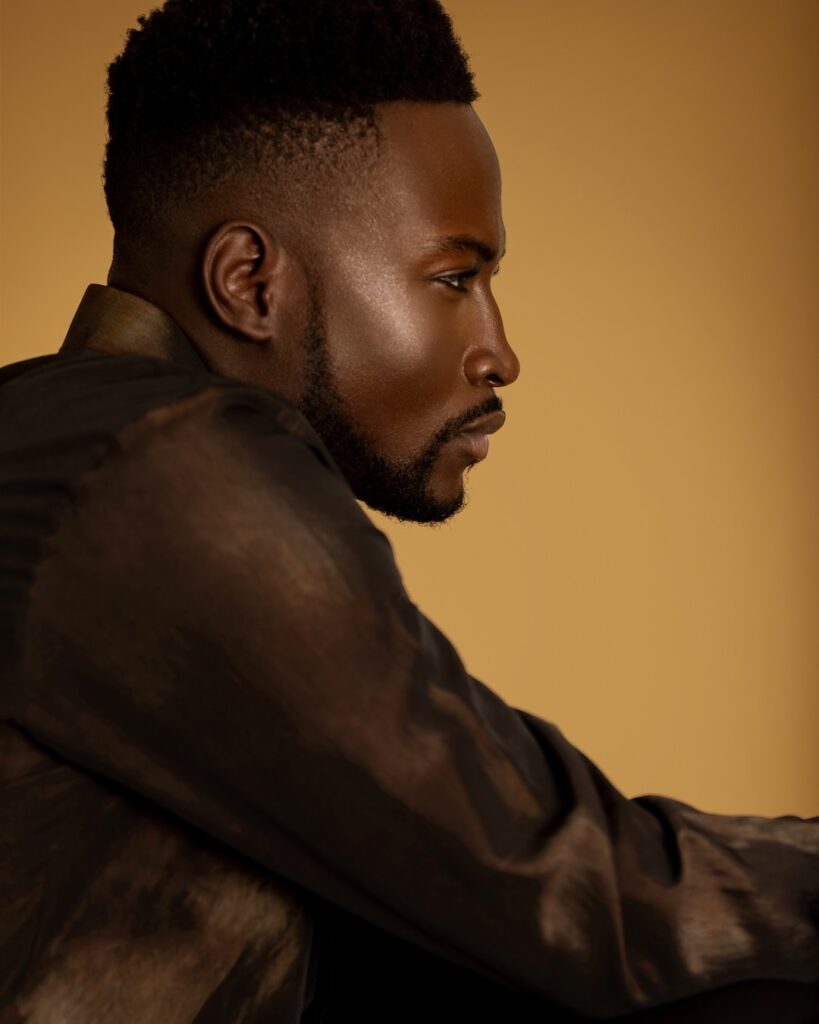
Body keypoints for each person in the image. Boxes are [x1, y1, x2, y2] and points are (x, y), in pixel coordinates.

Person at [0, 1, 817, 1020]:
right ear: (249, 282)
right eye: (454, 276)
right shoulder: (161, 461)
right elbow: (572, 882)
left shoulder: (54, 442)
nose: (498, 352)